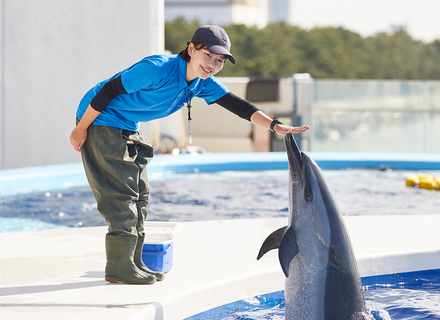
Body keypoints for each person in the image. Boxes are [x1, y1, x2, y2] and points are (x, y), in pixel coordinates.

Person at [70, 25, 309, 285]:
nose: (213, 65)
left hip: (127, 124)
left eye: (219, 61)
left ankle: (132, 261)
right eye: (208, 56)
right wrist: (81, 128)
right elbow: (107, 91)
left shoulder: (201, 82)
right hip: (100, 119)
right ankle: (119, 267)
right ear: (191, 49)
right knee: (122, 193)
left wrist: (275, 126)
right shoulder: (157, 69)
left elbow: (238, 106)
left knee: (140, 192)